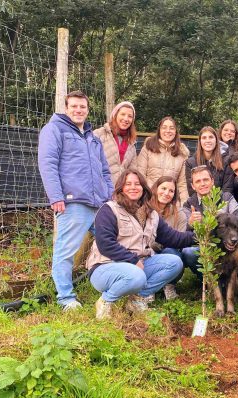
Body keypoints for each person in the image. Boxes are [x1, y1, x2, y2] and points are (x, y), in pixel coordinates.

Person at [38, 90, 114, 311]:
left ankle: (114, 288)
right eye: (74, 106)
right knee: (66, 250)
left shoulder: (92, 137)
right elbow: (48, 164)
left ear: (88, 109)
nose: (78, 110)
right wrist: (56, 196)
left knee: (112, 243)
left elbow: (105, 170)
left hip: (99, 203)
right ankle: (66, 298)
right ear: (66, 107)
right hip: (73, 202)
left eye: (82, 107)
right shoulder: (54, 130)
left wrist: (108, 194)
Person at [85, 169, 196, 319]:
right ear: (121, 188)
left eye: (137, 184)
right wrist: (132, 259)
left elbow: (173, 238)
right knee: (137, 276)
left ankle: (136, 299)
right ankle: (106, 301)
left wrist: (201, 237)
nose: (133, 187)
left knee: (174, 263)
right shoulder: (109, 210)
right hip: (104, 267)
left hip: (137, 267)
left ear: (144, 188)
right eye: (128, 184)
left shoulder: (151, 214)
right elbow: (105, 243)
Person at [179, 166, 238, 278]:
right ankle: (207, 279)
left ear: (212, 181)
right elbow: (182, 233)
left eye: (205, 180)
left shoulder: (226, 197)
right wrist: (190, 224)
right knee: (188, 252)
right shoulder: (189, 205)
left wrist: (231, 222)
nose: (203, 184)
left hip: (227, 247)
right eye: (198, 181)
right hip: (204, 247)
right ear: (193, 186)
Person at [133, 116, 190, 204]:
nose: (168, 131)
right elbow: (140, 175)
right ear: (159, 130)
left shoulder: (182, 154)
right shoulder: (148, 147)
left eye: (171, 128)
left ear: (176, 132)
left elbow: (182, 184)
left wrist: (184, 204)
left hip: (169, 201)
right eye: (164, 127)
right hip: (148, 199)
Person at [148, 176, 187, 300]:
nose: (166, 193)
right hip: (148, 252)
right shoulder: (145, 209)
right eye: (163, 188)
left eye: (171, 191)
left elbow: (179, 241)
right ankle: (148, 288)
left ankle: (169, 285)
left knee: (173, 253)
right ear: (155, 189)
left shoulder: (179, 214)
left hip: (169, 252)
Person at [94, 101, 138, 185]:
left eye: (130, 116)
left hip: (120, 191)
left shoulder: (131, 143)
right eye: (123, 114)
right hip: (100, 188)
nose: (126, 119)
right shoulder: (99, 134)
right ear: (115, 115)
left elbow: (133, 170)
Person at [185, 126, 233, 195]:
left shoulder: (226, 161)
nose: (208, 140)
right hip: (199, 204)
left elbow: (227, 189)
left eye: (211, 137)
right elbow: (192, 191)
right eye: (204, 138)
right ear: (200, 142)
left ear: (216, 141)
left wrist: (214, 204)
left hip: (221, 203)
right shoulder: (190, 163)